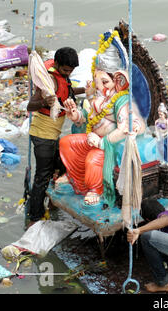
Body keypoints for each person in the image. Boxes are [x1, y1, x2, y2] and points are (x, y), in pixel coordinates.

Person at [55, 30, 146, 207]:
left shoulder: (122, 101)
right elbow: (91, 120)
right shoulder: (98, 98)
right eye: (98, 82)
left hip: (111, 146)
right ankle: (75, 177)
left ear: (119, 80)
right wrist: (76, 116)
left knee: (93, 158)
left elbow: (129, 128)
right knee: (66, 142)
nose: (101, 88)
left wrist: (103, 142)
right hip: (93, 138)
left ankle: (95, 189)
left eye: (105, 83)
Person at [26, 47, 85, 228]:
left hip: (53, 133)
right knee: (42, 176)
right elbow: (30, 105)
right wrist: (45, 101)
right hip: (43, 134)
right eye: (66, 70)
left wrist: (87, 89)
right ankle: (34, 218)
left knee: (60, 165)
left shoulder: (62, 75)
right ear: (57, 64)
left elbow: (68, 91)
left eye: (71, 71)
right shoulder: (49, 79)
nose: (68, 73)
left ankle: (51, 202)